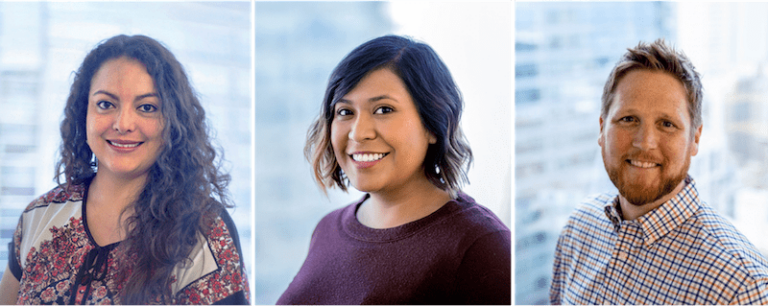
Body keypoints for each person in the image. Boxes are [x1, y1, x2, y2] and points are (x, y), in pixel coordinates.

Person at [0, 35, 249, 305]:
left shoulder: (204, 230)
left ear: (172, 122)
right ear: (84, 112)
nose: (123, 123)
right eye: (106, 104)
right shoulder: (37, 217)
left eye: (147, 107)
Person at [276, 35, 512, 305]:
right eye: (344, 112)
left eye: (383, 109)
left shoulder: (481, 248)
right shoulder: (327, 229)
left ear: (433, 124)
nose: (359, 132)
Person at [550, 39, 768, 305]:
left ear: (695, 139)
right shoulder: (578, 228)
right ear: (601, 128)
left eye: (667, 124)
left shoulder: (743, 287)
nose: (644, 142)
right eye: (628, 119)